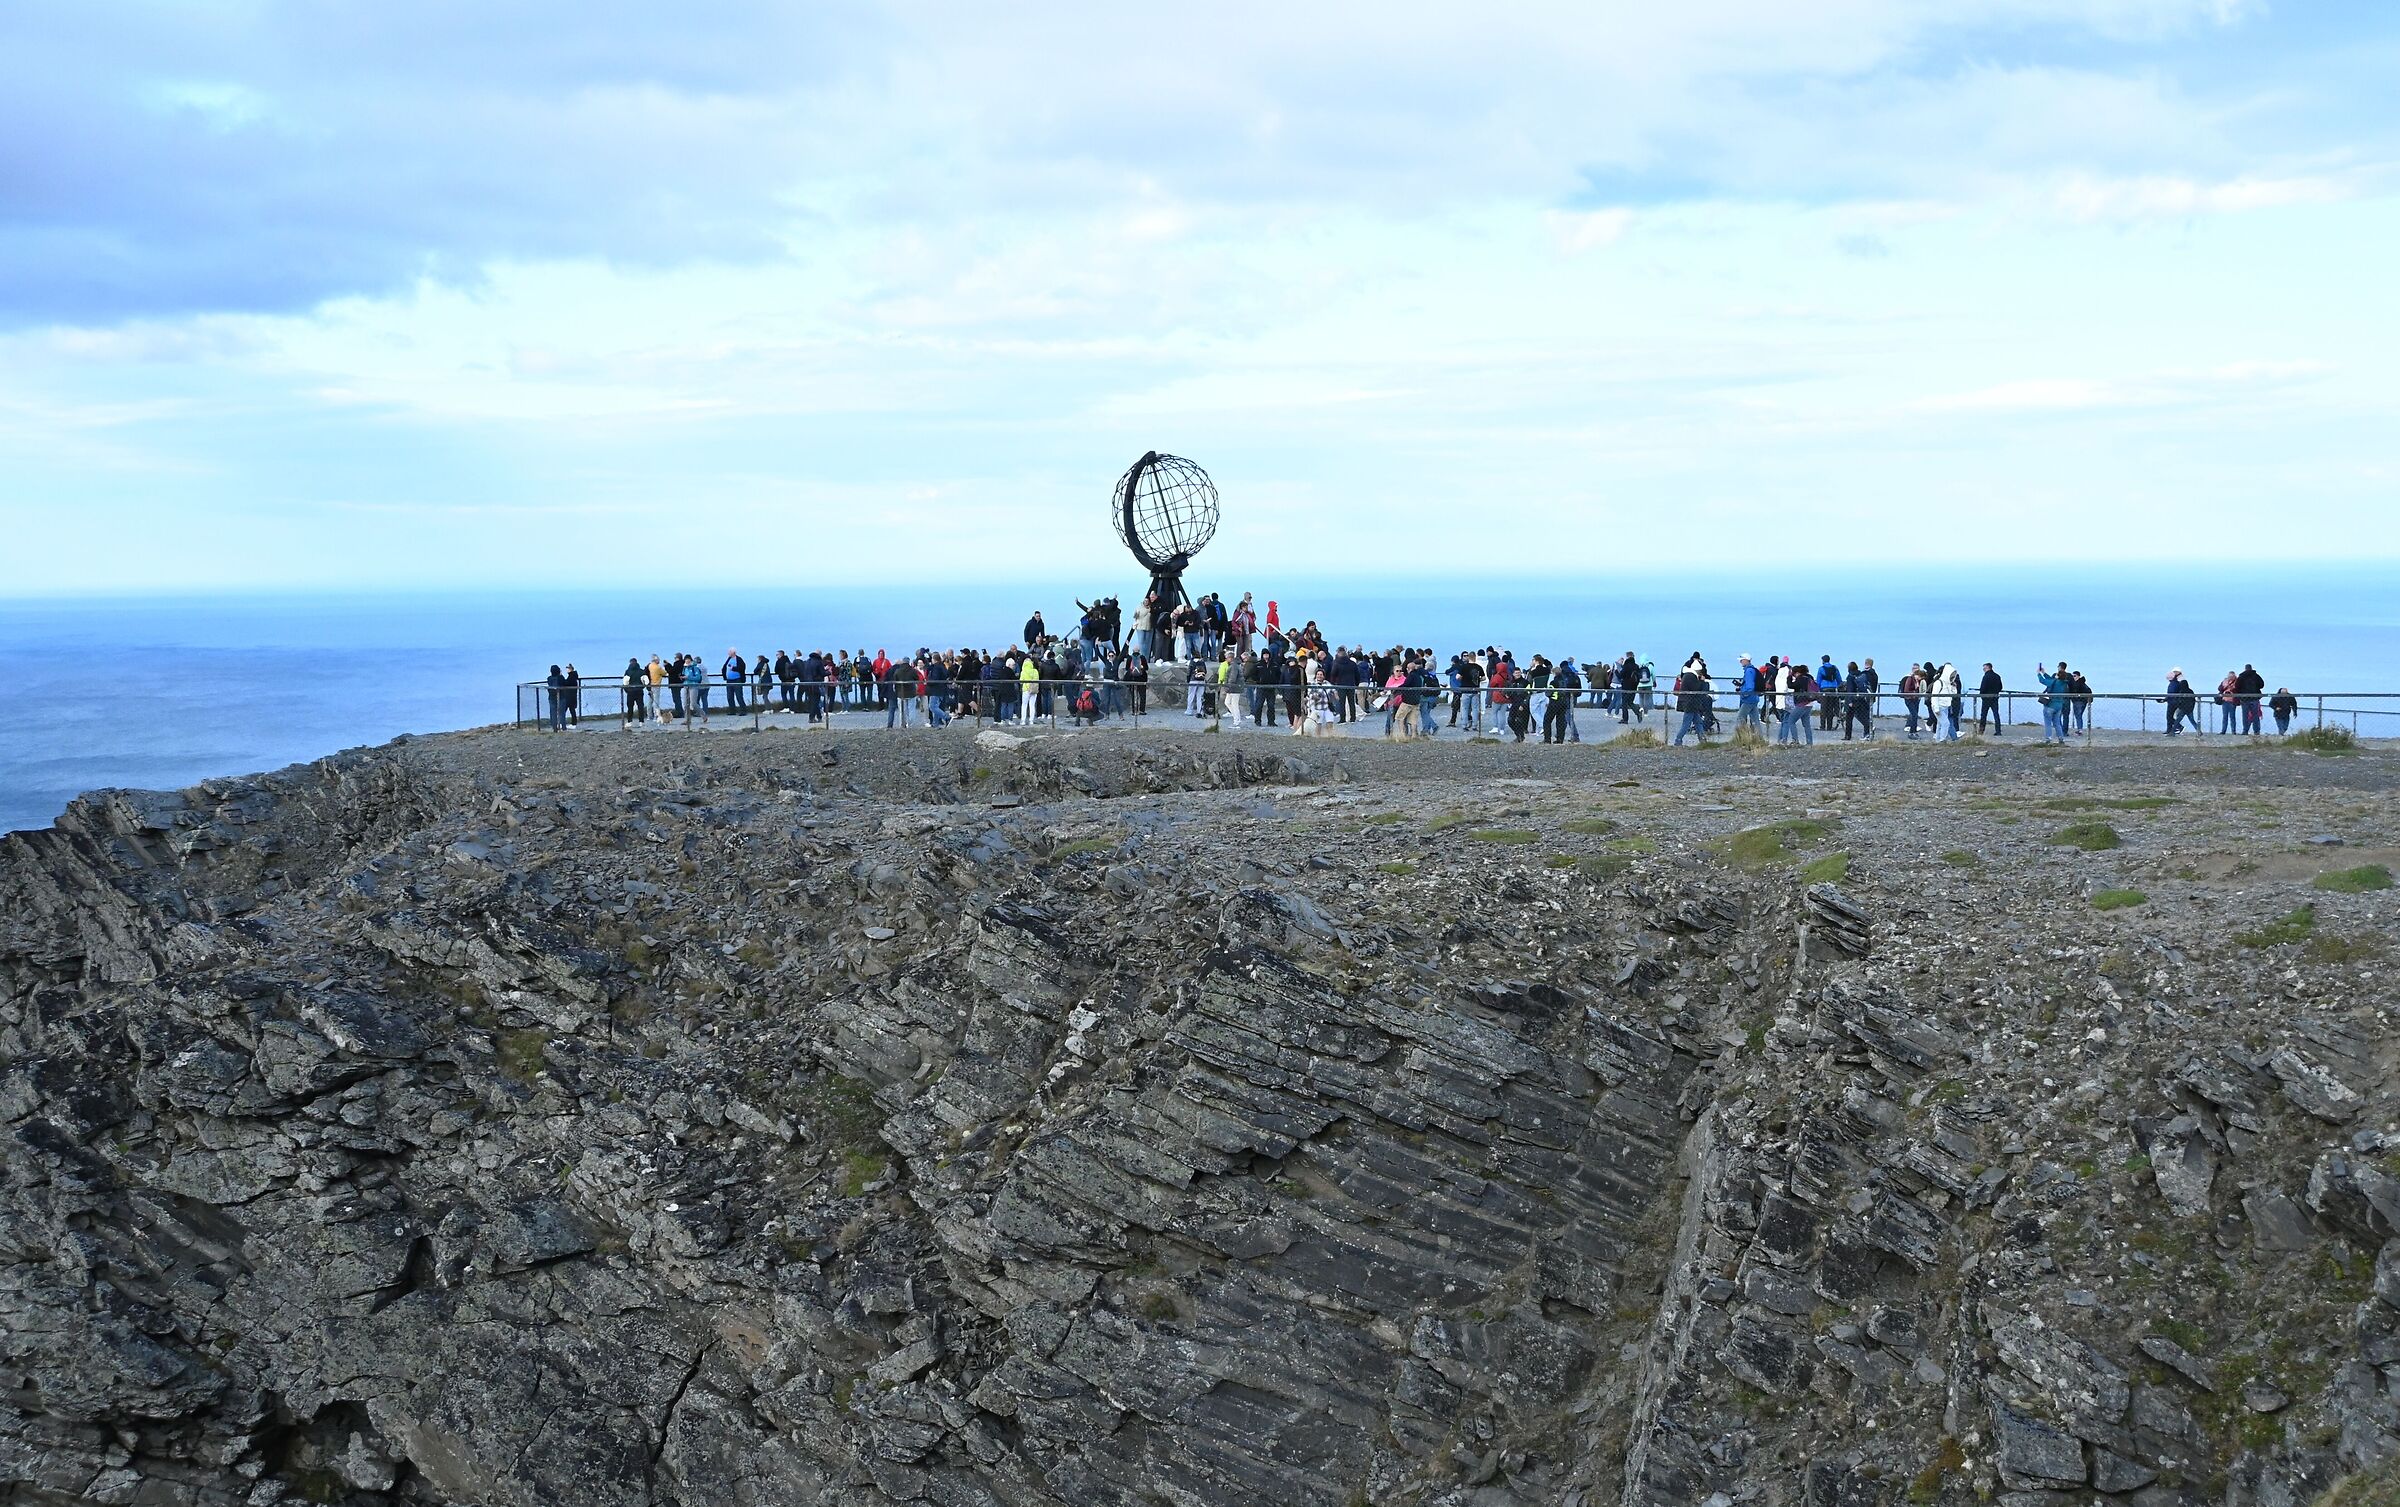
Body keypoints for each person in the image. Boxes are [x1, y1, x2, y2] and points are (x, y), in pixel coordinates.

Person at [1672, 664, 1710, 746]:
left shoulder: (1688, 675)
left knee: (1698, 722)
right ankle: (1678, 740)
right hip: (1690, 704)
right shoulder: (1690, 676)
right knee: (1686, 724)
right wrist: (1702, 681)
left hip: (1691, 703)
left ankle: (1702, 739)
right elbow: (1696, 688)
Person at [2236, 663, 2266, 735]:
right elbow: (2262, 685)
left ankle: (2245, 731)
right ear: (2251, 668)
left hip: (2244, 699)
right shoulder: (2256, 676)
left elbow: (2237, 686)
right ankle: (2256, 731)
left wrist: (2241, 693)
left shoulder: (2241, 676)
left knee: (2245, 715)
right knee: (2255, 715)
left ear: (2245, 668)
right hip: (2254, 698)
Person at [2164, 668, 2196, 736]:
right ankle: (2171, 730)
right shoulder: (2177, 683)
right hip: (2183, 706)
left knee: (2173, 717)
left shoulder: (2177, 683)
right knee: (2190, 720)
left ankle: (2172, 731)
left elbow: (2175, 693)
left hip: (2179, 704)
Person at [1977, 664, 2004, 735]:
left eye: (1984, 668)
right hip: (1994, 698)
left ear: (1988, 668)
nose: (1983, 670)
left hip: (1986, 698)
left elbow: (1982, 688)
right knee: (1996, 714)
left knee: (1983, 715)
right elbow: (2000, 687)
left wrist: (1982, 695)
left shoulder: (1986, 677)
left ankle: (1981, 731)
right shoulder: (1997, 676)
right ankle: (1998, 731)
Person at [1736, 655, 1761, 732]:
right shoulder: (1752, 670)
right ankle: (1758, 737)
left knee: (1740, 718)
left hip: (1748, 699)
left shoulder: (1749, 671)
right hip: (1754, 698)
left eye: (1742, 660)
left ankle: (1741, 736)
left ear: (1746, 660)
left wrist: (1743, 694)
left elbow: (1750, 686)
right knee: (1755, 720)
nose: (1740, 662)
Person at [2216, 670, 2241, 734]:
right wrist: (2225, 686)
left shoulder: (2237, 682)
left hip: (2232, 701)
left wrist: (2233, 688)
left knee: (2232, 716)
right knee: (2225, 716)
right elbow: (2219, 688)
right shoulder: (2225, 681)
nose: (2230, 677)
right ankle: (2224, 730)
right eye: (2230, 676)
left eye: (2232, 676)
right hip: (2225, 700)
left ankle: (2233, 731)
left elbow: (2238, 689)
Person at [544, 665, 567, 731]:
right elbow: (564, 683)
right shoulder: (561, 677)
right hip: (561, 697)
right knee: (562, 713)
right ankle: (563, 727)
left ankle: (554, 727)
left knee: (553, 712)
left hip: (551, 697)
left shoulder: (549, 678)